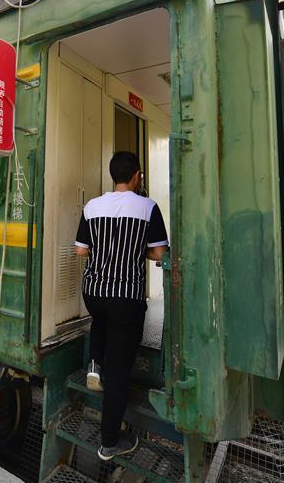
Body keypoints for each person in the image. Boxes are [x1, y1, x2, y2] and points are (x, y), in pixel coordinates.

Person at [74, 151, 168, 461]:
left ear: (114, 175)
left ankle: (93, 366)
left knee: (100, 320)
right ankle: (110, 443)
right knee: (119, 372)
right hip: (126, 298)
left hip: (94, 292)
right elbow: (158, 254)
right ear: (137, 175)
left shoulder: (92, 206)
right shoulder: (148, 207)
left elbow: (80, 251)